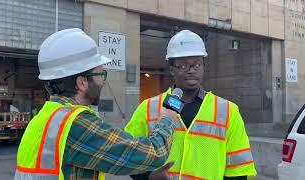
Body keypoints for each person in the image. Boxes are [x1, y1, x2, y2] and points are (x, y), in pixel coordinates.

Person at [15, 28, 179, 180]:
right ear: (82, 83)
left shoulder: (44, 119)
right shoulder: (75, 124)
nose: (103, 81)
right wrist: (168, 118)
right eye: (101, 74)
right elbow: (154, 153)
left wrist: (147, 176)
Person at [125, 30, 257, 180]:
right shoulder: (147, 108)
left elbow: (239, 170)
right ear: (172, 70)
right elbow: (128, 156)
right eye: (183, 66)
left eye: (197, 64)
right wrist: (148, 177)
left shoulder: (228, 111)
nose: (191, 70)